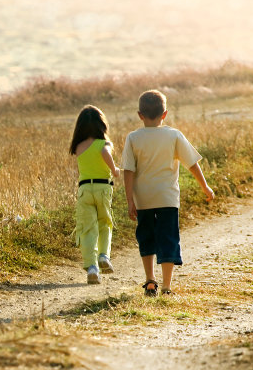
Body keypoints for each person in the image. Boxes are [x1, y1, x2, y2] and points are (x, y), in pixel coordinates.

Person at [122, 89, 214, 297]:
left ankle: (150, 281)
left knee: (146, 237)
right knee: (168, 238)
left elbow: (128, 171)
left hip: (143, 198)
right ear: (165, 114)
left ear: (140, 115)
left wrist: (130, 201)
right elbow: (192, 164)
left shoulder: (133, 138)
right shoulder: (173, 135)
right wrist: (205, 186)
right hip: (167, 198)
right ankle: (166, 286)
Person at [70, 105, 120, 284]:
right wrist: (114, 169)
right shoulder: (105, 143)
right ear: (102, 125)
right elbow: (105, 152)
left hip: (84, 190)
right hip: (103, 188)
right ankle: (104, 256)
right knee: (105, 223)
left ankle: (91, 267)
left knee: (87, 228)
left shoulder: (78, 146)